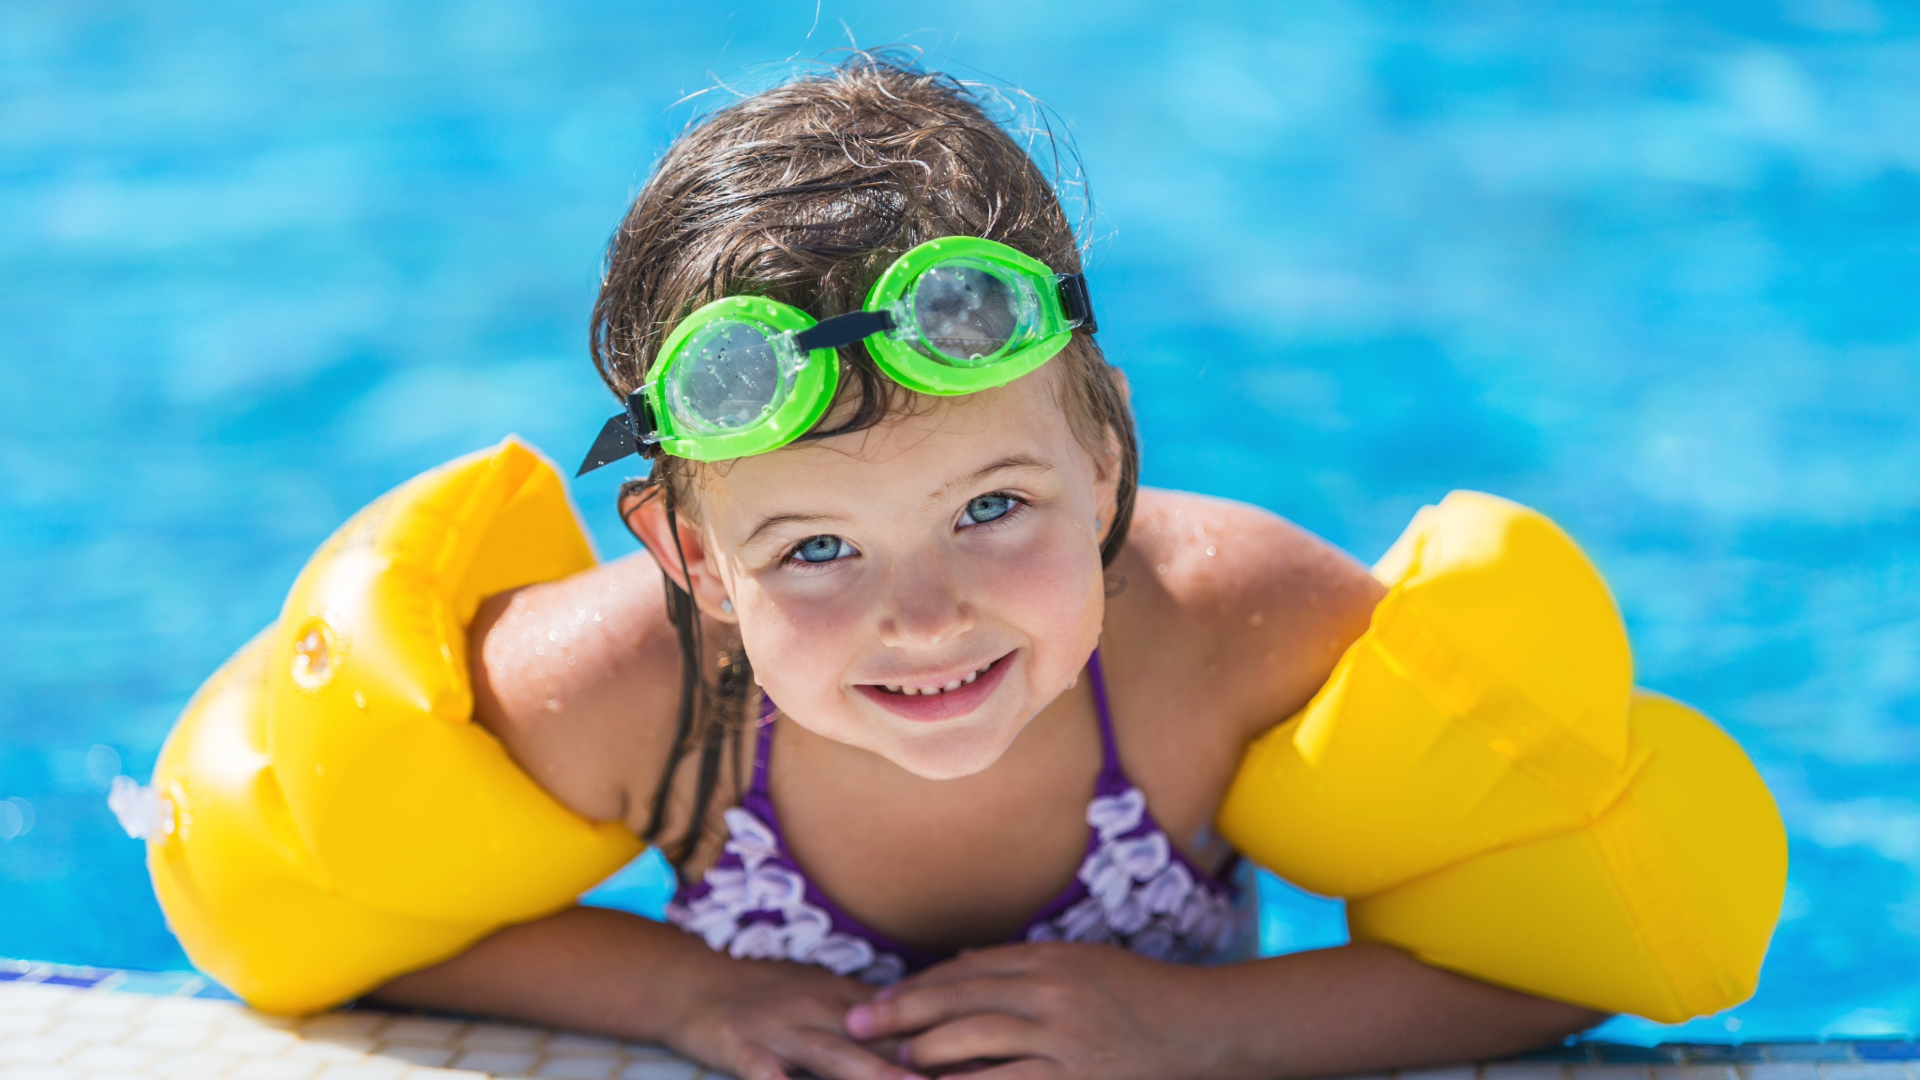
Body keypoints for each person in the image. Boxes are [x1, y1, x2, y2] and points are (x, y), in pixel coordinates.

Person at [372, 54, 1602, 1080]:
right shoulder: (622, 697)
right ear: (691, 554)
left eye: (992, 507)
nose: (922, 618)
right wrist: (681, 997)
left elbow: (1579, 941)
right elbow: (357, 923)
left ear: (1109, 455)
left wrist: (1202, 1032)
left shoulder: (1240, 630)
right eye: (814, 549)